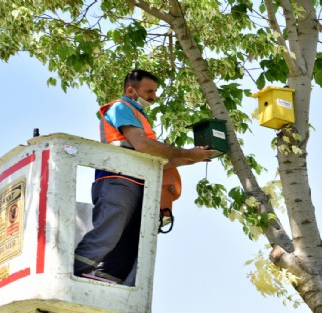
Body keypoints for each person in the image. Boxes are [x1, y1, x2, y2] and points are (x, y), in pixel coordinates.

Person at [74, 69, 218, 285]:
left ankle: (108, 279)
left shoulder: (139, 117)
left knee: (131, 241)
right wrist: (187, 154)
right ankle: (68, 275)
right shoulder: (122, 108)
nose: (153, 96)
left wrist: (194, 157)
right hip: (117, 180)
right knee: (107, 235)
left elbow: (156, 160)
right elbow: (142, 145)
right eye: (149, 91)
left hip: (137, 183)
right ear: (131, 90)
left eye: (155, 91)